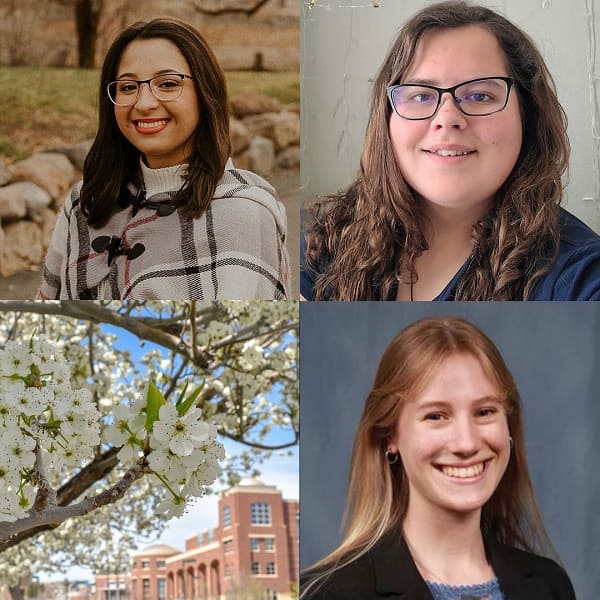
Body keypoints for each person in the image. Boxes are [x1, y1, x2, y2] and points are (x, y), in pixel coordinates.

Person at [301, 1, 600, 300]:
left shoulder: (581, 279)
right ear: (387, 117)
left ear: (527, 114)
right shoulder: (325, 243)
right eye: (420, 95)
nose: (447, 119)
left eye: (480, 95)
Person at [300, 316, 576, 600]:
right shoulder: (329, 592)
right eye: (436, 416)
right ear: (390, 437)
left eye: (484, 412)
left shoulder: (550, 584)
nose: (466, 443)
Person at [39, 18, 290, 300]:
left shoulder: (244, 215)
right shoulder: (85, 202)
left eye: (168, 84)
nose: (144, 103)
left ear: (205, 92)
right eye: (128, 87)